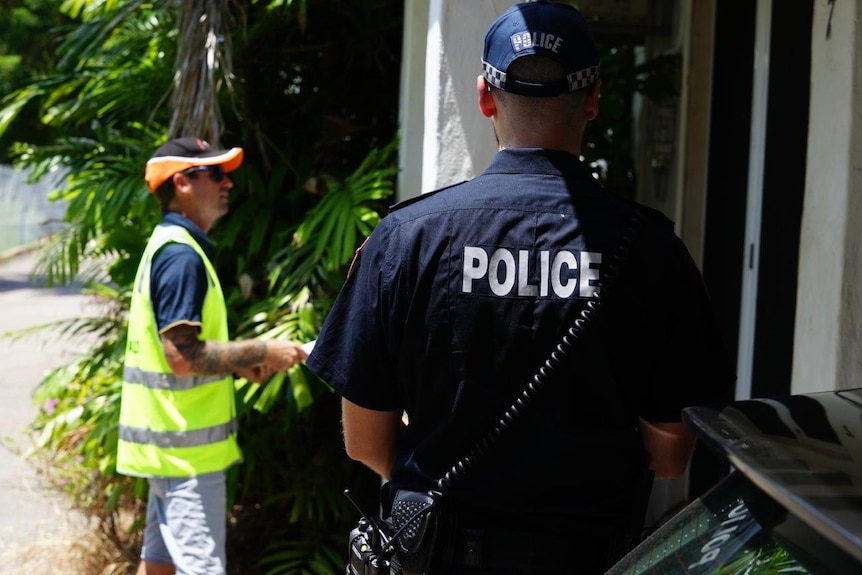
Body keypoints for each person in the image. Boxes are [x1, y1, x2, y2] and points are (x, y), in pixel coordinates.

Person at [306, 1, 735, 572]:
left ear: (486, 97)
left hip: (436, 556)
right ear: (593, 100)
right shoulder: (654, 252)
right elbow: (671, 454)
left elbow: (364, 442)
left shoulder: (405, 239)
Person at [117, 137, 307, 575]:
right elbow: (181, 356)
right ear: (181, 182)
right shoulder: (182, 257)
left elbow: (183, 352)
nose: (228, 184)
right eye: (217, 174)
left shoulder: (173, 246)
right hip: (186, 457)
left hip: (172, 448)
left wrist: (239, 361)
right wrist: (262, 349)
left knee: (160, 563)